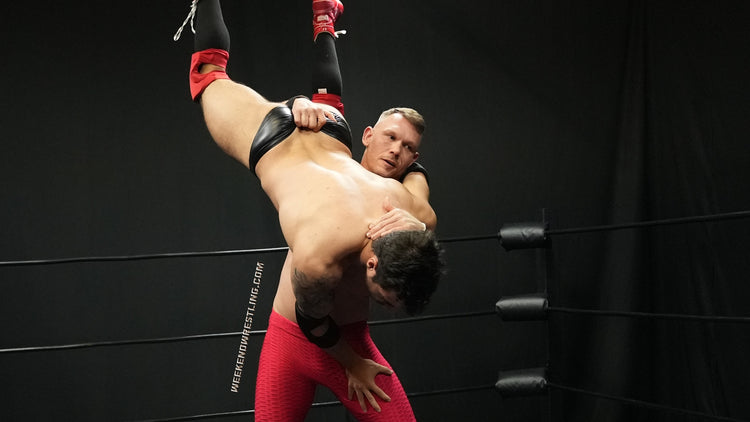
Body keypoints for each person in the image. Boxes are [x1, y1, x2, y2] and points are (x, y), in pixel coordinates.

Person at [175, 1, 442, 420]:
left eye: (407, 148)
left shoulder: (407, 208)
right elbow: (312, 321)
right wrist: (352, 363)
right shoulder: (320, 255)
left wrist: (420, 230)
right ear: (372, 264)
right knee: (207, 75)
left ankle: (324, 19)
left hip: (331, 129)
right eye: (386, 301)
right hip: (274, 141)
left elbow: (423, 199)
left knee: (327, 102)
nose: (388, 309)